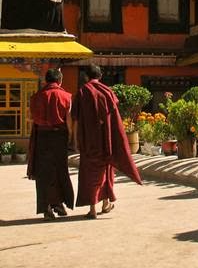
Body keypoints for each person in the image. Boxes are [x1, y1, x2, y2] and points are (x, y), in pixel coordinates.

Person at [73, 64, 142, 219]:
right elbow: (114, 119)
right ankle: (105, 203)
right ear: (100, 76)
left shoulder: (82, 92)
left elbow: (75, 119)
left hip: (88, 141)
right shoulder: (107, 92)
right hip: (106, 140)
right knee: (106, 171)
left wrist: (75, 140)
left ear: (86, 77)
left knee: (89, 174)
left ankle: (92, 209)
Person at [27, 68, 74, 220]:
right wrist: (71, 137)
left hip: (42, 137)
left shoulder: (35, 97)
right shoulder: (66, 96)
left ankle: (47, 208)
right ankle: (58, 204)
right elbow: (68, 120)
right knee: (59, 171)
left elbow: (30, 118)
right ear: (59, 81)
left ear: (46, 81)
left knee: (43, 173)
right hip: (59, 137)